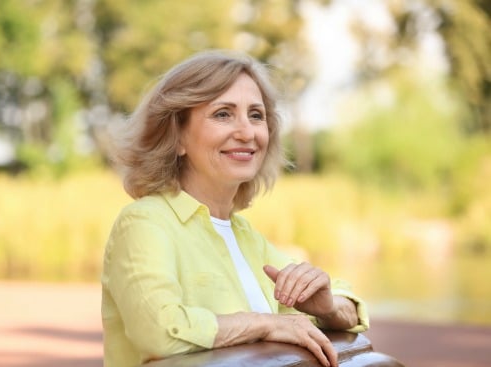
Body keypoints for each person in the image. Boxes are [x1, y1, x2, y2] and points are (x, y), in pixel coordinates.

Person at [101, 50, 369, 367]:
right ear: (177, 137)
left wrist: (325, 306)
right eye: (223, 114)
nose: (246, 132)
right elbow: (159, 331)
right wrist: (266, 323)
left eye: (256, 115)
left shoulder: (247, 237)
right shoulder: (144, 222)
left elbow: (350, 308)